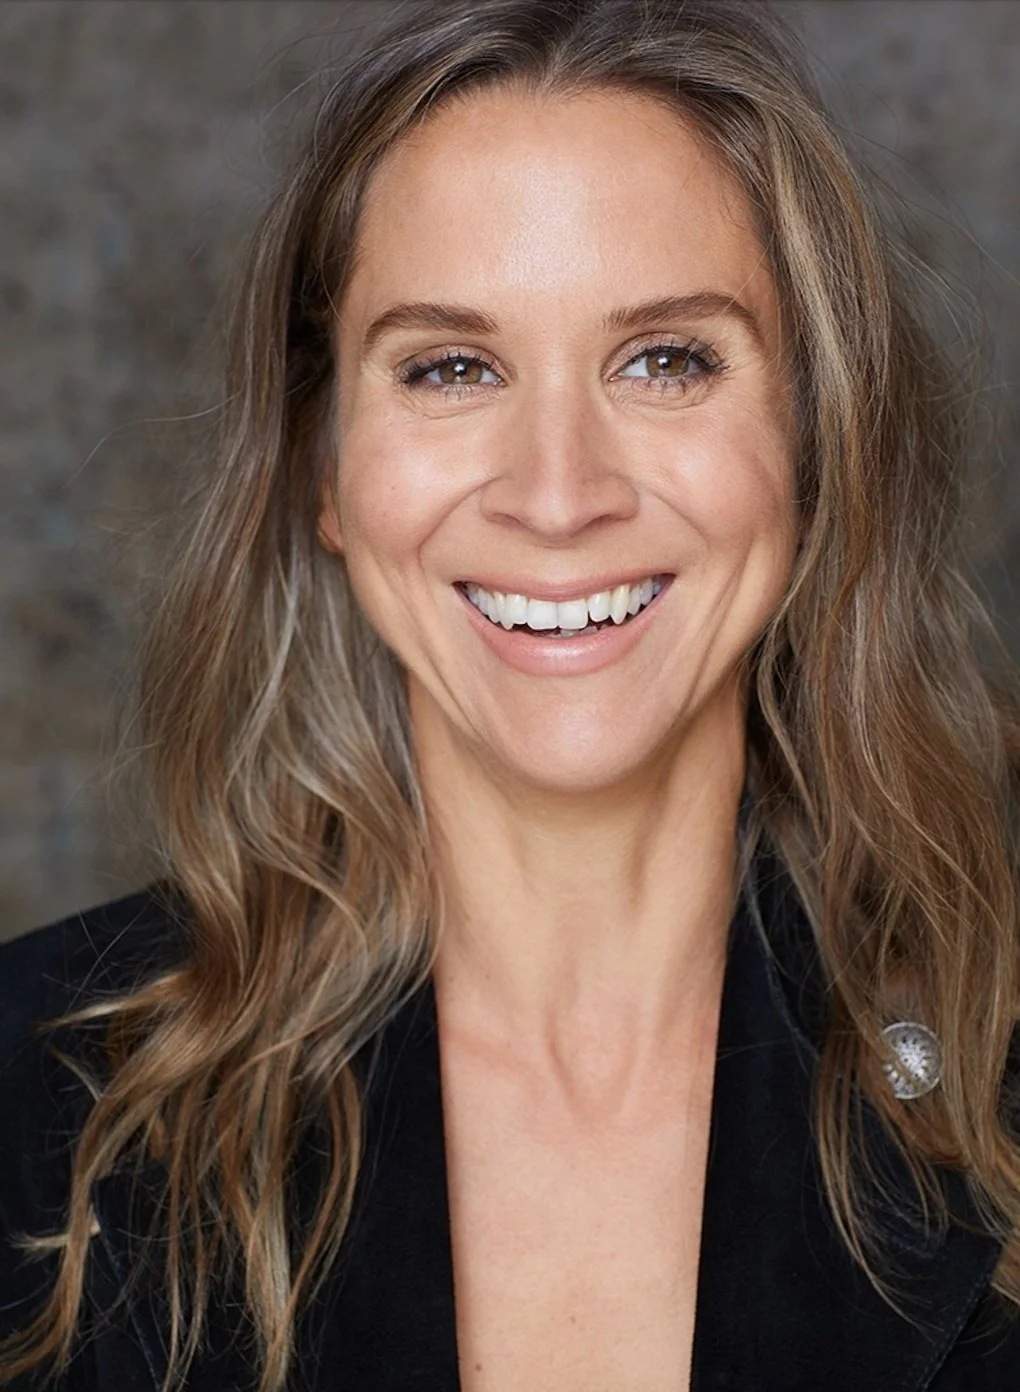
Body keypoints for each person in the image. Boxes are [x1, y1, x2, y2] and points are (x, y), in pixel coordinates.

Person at [2, 0, 1019, 1387]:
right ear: (322, 468)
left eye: (665, 360)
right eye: (452, 368)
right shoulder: (30, 1100)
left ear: (813, 437)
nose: (557, 493)